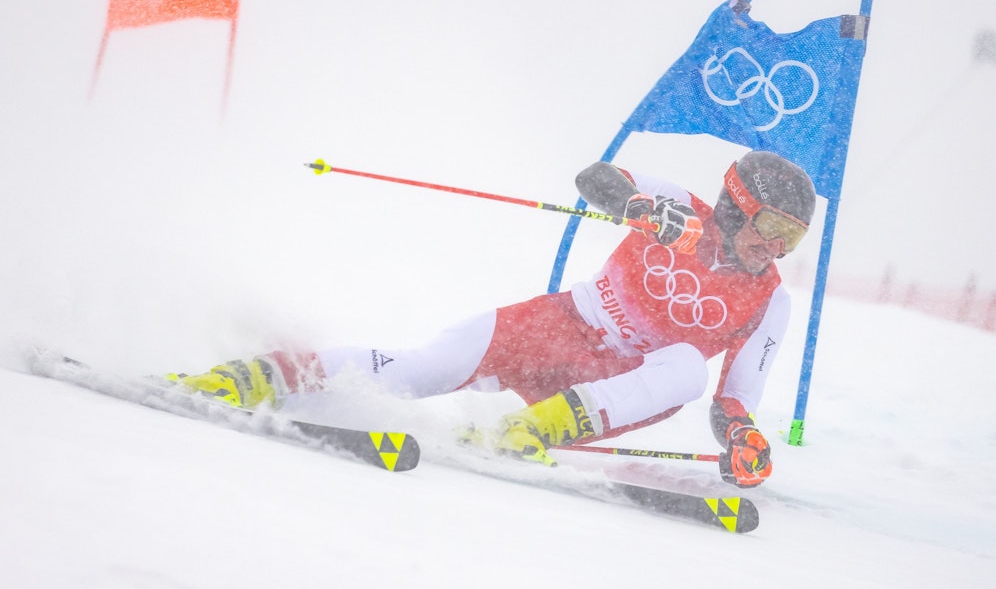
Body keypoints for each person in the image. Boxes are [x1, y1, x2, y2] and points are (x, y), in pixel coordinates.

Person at [169, 151, 816, 488]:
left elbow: (735, 401)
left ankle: (529, 429)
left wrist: (743, 443)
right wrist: (641, 207)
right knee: (423, 368)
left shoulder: (770, 301)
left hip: (610, 390)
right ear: (736, 208)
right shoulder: (684, 208)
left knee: (685, 370)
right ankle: (255, 375)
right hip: (558, 327)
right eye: (772, 226)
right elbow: (597, 177)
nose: (777, 247)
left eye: (794, 237)